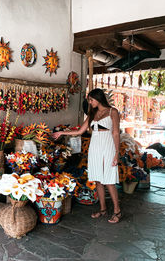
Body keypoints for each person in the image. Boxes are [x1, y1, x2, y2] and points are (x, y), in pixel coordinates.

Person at [52, 88, 122, 223]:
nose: (90, 103)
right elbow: (79, 131)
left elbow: (115, 133)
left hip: (108, 146)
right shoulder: (92, 114)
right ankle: (103, 209)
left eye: (91, 100)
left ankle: (117, 211)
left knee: (109, 180)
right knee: (97, 179)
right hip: (95, 147)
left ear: (99, 98)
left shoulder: (113, 111)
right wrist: (62, 133)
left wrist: (116, 153)